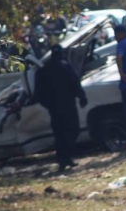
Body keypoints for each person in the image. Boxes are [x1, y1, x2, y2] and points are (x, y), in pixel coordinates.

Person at [35, 44, 88, 172]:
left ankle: (62, 159)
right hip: (68, 105)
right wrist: (82, 97)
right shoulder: (66, 66)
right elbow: (75, 82)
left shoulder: (43, 70)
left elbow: (38, 92)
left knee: (59, 134)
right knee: (73, 130)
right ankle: (67, 157)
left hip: (54, 108)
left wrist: (48, 105)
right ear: (62, 54)